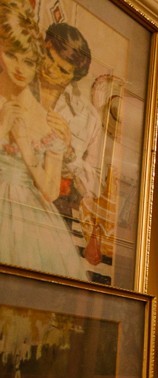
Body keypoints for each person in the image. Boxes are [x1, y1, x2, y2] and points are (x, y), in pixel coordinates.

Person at [0, 2, 86, 279]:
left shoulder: (48, 120)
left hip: (30, 215)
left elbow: (50, 191)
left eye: (28, 62)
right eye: (11, 56)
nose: (19, 69)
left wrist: (27, 150)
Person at [37, 23, 100, 228]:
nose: (49, 69)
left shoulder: (88, 118)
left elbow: (92, 187)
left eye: (62, 70)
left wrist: (70, 153)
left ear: (74, 77)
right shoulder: (15, 81)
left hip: (53, 213)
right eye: (49, 57)